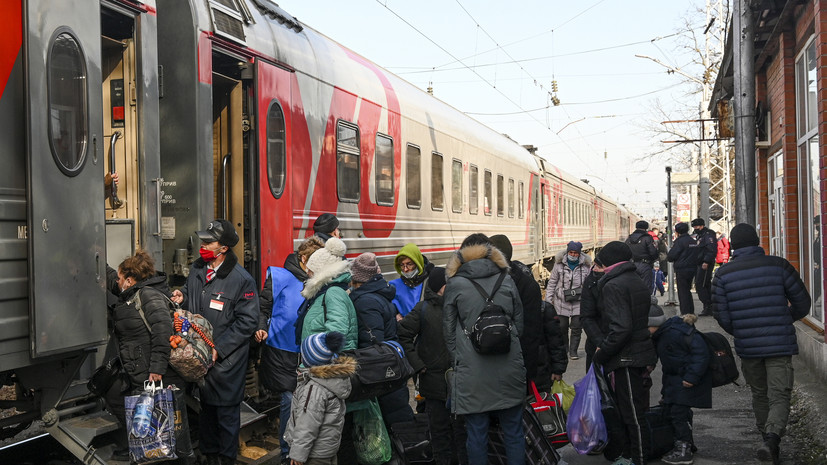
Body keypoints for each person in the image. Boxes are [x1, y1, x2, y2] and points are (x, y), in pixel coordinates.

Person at [712, 223, 811, 464]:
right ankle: (772, 440)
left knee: (760, 393)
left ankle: (767, 440)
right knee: (780, 393)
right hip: (779, 343)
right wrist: (783, 320)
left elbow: (722, 315)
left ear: (732, 246)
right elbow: (803, 302)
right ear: (757, 242)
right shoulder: (779, 265)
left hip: (748, 345)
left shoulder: (723, 275)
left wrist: (742, 330)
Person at [170, 219, 259, 465]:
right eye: (204, 240)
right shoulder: (198, 268)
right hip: (200, 356)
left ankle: (227, 459)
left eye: (209, 242)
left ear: (224, 248)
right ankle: (210, 457)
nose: (204, 245)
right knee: (206, 411)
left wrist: (219, 349)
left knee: (226, 414)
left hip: (226, 361)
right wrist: (182, 296)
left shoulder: (242, 280)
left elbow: (247, 322)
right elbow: (191, 294)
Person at [444, 233, 526, 465]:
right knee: (514, 432)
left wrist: (461, 359)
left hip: (473, 374)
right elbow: (519, 325)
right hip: (509, 367)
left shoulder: (455, 284)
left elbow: (448, 332)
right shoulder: (506, 279)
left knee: (476, 434)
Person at [103, 250, 185, 461]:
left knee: (150, 411)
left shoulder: (148, 295)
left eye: (120, 278)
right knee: (118, 397)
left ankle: (153, 454)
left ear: (129, 280)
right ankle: (140, 448)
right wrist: (95, 258)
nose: (117, 282)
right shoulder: (132, 292)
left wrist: (157, 368)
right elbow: (112, 279)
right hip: (136, 366)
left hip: (149, 368)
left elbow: (162, 330)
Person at [257, 236, 324, 463]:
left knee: (306, 400)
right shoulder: (279, 277)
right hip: (280, 350)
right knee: (290, 399)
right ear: (303, 258)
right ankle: (287, 451)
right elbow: (263, 307)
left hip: (309, 350)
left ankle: (300, 448)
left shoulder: (320, 280)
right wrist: (261, 327)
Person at [590, 241, 657, 465]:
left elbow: (621, 328)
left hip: (626, 357)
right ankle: (632, 455)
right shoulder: (634, 278)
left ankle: (637, 458)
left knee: (631, 414)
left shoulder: (613, 285)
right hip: (638, 351)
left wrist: (602, 352)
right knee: (634, 410)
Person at [398, 267, 468, 465]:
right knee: (439, 433)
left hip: (460, 381)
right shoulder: (423, 309)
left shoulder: (461, 305)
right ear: (439, 287)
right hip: (434, 382)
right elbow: (403, 335)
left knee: (462, 433)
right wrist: (417, 364)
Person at [490, 234, 567, 391]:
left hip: (531, 367)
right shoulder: (527, 286)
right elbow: (554, 339)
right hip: (535, 367)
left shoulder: (508, 288)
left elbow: (551, 339)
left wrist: (557, 367)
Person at [349, 252, 414, 426]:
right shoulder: (378, 294)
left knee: (394, 421)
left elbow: (373, 343)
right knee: (399, 418)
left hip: (382, 373)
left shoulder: (365, 301)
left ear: (358, 278)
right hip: (391, 368)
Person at [650, 309, 712, 465]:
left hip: (685, 380)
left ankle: (684, 449)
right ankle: (687, 444)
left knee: (678, 414)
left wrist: (692, 377)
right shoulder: (663, 334)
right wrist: (666, 393)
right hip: (676, 381)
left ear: (654, 325)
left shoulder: (674, 333)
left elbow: (701, 354)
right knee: (676, 411)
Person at [284, 331, 356, 465]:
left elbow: (307, 424)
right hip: (327, 449)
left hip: (313, 454)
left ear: (308, 361)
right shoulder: (333, 381)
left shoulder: (314, 388)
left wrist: (298, 454)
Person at [297, 237, 358, 350]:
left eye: (311, 270)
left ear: (321, 272)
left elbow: (337, 331)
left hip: (327, 358)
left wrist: (319, 353)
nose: (307, 273)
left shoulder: (333, 293)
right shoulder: (324, 292)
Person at [545, 241, 591, 360]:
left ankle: (573, 351)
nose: (573, 255)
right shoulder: (559, 265)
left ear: (579, 253)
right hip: (561, 301)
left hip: (579, 302)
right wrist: (548, 300)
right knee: (562, 327)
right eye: (571, 252)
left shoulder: (586, 266)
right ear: (567, 252)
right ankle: (565, 348)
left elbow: (589, 284)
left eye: (575, 253)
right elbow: (552, 282)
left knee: (576, 327)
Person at [389, 243, 434, 319]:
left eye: (409, 264)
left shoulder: (431, 281)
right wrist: (395, 314)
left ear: (417, 263)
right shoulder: (394, 285)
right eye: (402, 265)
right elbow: (388, 307)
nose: (405, 269)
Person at [667, 222, 698, 316]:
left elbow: (671, 256)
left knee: (683, 291)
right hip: (692, 268)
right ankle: (691, 310)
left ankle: (685, 312)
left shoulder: (679, 242)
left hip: (682, 269)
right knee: (688, 290)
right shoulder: (693, 241)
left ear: (677, 232)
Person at [690, 218, 717, 316]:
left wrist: (706, 261)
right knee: (704, 284)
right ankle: (708, 305)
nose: (695, 228)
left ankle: (708, 305)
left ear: (702, 226)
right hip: (699, 262)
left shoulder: (708, 235)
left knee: (701, 284)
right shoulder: (699, 235)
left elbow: (711, 249)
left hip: (705, 263)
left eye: (696, 226)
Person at [625, 220, 659, 294]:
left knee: (634, 286)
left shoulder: (629, 238)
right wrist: (653, 260)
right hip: (645, 265)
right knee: (646, 287)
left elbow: (625, 251)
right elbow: (653, 252)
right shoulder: (648, 238)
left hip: (632, 265)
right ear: (646, 228)